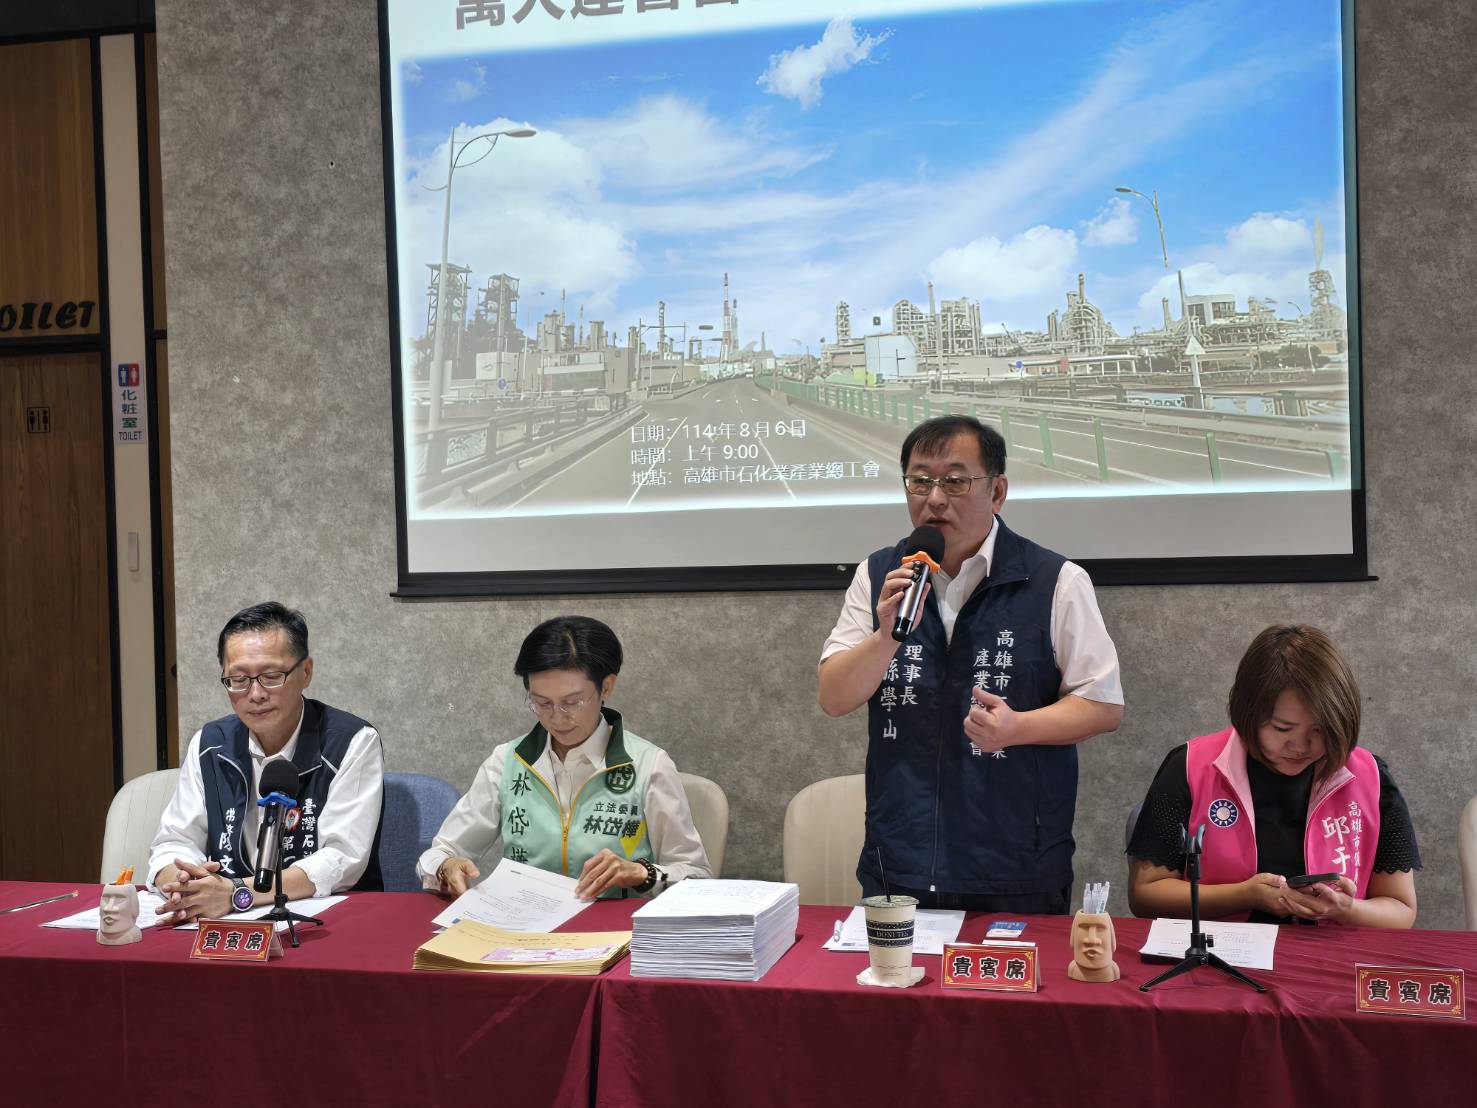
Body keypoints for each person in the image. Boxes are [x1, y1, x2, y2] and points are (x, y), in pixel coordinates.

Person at [818, 414, 1123, 913]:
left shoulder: (1056, 581)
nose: (934, 498)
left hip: (1015, 867)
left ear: (997, 491)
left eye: (955, 482)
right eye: (920, 482)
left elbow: (1103, 704)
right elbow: (833, 697)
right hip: (900, 860)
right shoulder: (879, 575)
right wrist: (886, 636)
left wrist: (1018, 728)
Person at [1127, 624, 1419, 927]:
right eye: (1282, 729)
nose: (1300, 746)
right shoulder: (1191, 767)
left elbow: (1401, 910)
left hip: (1331, 951)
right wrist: (1244, 895)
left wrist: (1344, 908)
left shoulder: (1371, 778)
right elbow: (1145, 895)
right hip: (1221, 949)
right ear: (1248, 712)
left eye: (1320, 730)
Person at [418, 616, 711, 899]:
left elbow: (696, 876)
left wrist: (641, 873)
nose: (557, 718)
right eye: (542, 703)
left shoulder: (648, 765)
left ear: (607, 687)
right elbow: (439, 853)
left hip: (613, 925)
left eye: (572, 702)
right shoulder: (507, 762)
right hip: (526, 921)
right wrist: (446, 866)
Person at [147, 602, 385, 923]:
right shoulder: (209, 744)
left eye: (272, 676)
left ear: (306, 672)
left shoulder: (351, 741)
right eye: (238, 679)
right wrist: (183, 887)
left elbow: (342, 859)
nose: (256, 694)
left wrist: (236, 894)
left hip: (327, 923)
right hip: (225, 922)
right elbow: (174, 840)